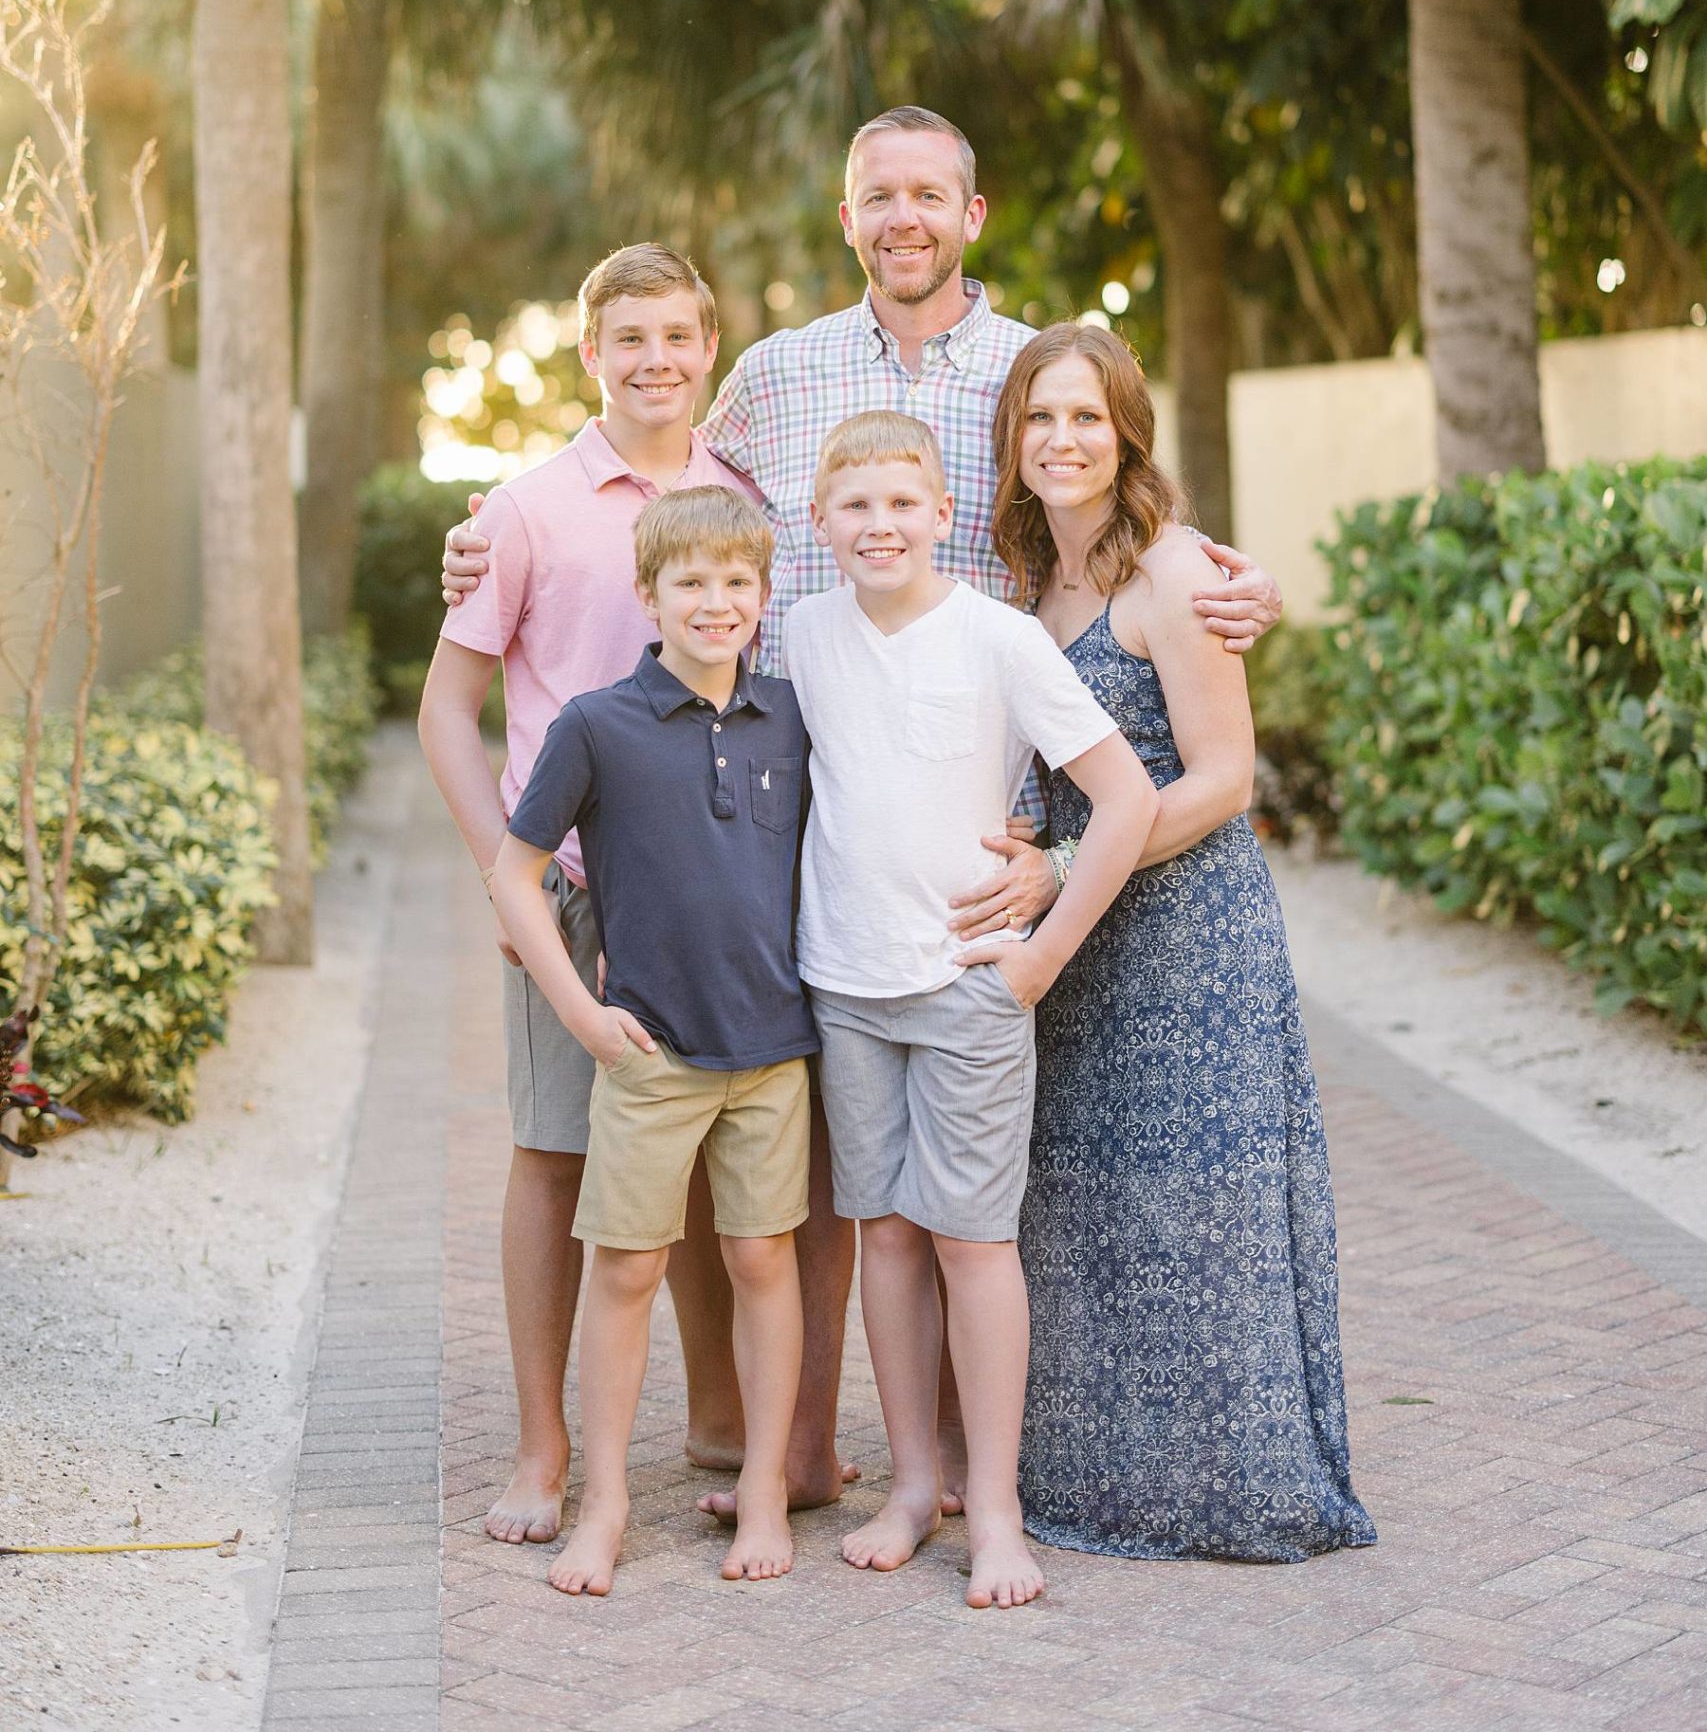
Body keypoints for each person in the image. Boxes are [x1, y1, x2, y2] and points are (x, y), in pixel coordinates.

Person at [440, 106, 1289, 1508]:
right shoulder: (773, 377)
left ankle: (959, 1455)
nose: (902, 218)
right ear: (847, 220)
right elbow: (659, 477)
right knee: (825, 1150)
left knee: (975, 1168)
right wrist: (491, 516)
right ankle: (798, 1442)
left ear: (971, 211)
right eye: (875, 197)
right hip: (795, 807)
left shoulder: (1029, 366)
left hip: (987, 824)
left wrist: (1228, 578)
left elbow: (1117, 505)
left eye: (927, 195)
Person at [979, 323, 1377, 1563]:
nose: (1063, 440)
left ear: (1127, 432)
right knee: (1084, 1207)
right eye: (1040, 419)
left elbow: (1223, 777)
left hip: (1186, 935)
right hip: (1075, 945)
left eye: (1087, 418)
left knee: (1204, 1204)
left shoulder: (1176, 569)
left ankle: (1233, 1486)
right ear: (1013, 440)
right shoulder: (1029, 587)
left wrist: (1065, 866)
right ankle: (1098, 1483)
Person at [783, 410, 1159, 1607]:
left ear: (944, 513)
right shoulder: (803, 632)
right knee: (884, 1236)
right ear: (821, 524)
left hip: (969, 985)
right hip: (845, 983)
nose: (880, 524)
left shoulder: (998, 639)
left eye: (903, 503)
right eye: (856, 506)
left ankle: (993, 1513)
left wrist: (1040, 956)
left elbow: (1128, 798)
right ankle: (909, 1487)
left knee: (972, 1240)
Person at [417, 242, 761, 1546]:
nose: (655, 361)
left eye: (677, 336)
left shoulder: (745, 496)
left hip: (722, 895)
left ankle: (722, 1423)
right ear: (589, 355)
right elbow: (446, 712)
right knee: (554, 1159)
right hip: (568, 896)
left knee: (708, 1161)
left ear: (707, 350)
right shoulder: (524, 511)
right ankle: (542, 1448)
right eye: (630, 339)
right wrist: (504, 875)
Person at [488, 485, 817, 1596]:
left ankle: (765, 1488)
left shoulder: (791, 715)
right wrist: (583, 1013)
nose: (716, 602)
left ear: (764, 596)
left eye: (737, 582)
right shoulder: (597, 724)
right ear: (647, 595)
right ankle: (608, 1501)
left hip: (774, 1049)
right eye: (691, 582)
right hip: (652, 1051)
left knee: (764, 1259)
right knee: (626, 1266)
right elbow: (514, 871)